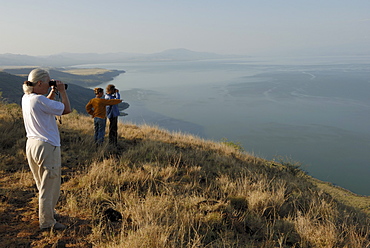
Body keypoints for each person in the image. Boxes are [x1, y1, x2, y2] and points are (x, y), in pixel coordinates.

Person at [22, 68, 71, 230]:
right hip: (46, 146)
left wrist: (51, 91)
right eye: (48, 81)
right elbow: (66, 109)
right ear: (40, 83)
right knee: (49, 184)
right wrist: (62, 92)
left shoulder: (27, 98)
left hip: (32, 144)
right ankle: (47, 222)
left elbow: (46, 104)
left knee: (41, 183)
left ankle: (48, 212)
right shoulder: (39, 101)